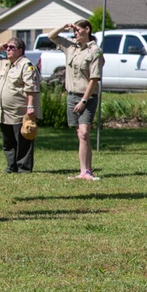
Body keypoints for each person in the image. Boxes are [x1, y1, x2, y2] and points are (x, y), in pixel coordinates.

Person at [48, 20, 104, 180]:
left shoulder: (95, 51)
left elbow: (94, 79)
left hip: (87, 97)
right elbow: (51, 36)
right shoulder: (71, 46)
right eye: (74, 31)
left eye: (78, 30)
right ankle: (84, 170)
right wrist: (63, 26)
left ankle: (87, 171)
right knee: (80, 133)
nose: (76, 33)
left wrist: (84, 101)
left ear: (87, 29)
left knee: (85, 133)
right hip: (72, 95)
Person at [0, 38, 41, 173]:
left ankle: (24, 168)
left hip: (19, 110)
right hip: (3, 111)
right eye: (7, 47)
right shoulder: (3, 64)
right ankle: (11, 166)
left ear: (20, 50)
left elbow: (31, 88)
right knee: (8, 141)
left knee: (23, 139)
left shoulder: (26, 65)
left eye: (12, 47)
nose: (8, 49)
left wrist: (30, 107)